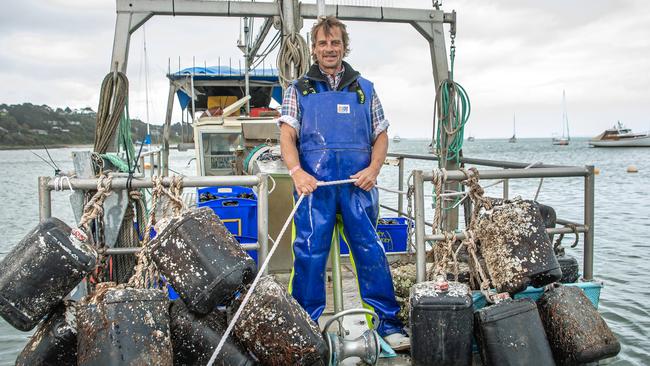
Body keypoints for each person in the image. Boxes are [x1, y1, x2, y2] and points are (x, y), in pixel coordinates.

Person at [278, 16, 410, 351]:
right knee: (308, 256)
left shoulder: (365, 89)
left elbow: (381, 135)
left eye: (335, 42)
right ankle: (305, 330)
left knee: (371, 253)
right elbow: (286, 136)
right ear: (314, 48)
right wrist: (297, 172)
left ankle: (386, 325)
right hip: (314, 191)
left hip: (358, 188)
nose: (329, 49)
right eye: (322, 43)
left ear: (344, 46)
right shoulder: (298, 90)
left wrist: (374, 169)